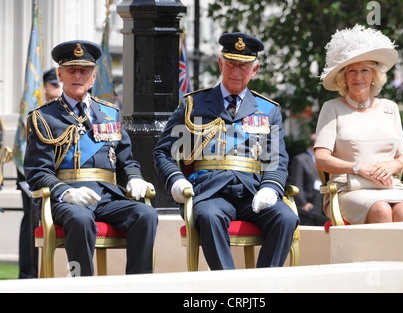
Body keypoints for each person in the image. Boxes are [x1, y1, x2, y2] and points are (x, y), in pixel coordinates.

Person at [154, 32, 299, 270]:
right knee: (210, 217)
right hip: (210, 192)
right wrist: (176, 181)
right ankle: (228, 287)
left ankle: (262, 287)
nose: (236, 71)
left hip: (252, 191)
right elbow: (164, 152)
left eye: (244, 66)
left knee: (286, 217)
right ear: (221, 64)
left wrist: (271, 188)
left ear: (255, 70)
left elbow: (276, 161)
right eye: (231, 64)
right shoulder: (193, 105)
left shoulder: (267, 110)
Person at [24, 40, 158, 276]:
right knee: (80, 218)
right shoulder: (44, 118)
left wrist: (135, 178)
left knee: (145, 214)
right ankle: (81, 284)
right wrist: (66, 192)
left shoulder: (110, 113)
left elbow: (126, 161)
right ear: (60, 74)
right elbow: (37, 172)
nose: (78, 76)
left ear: (93, 78)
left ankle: (139, 285)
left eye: (84, 71)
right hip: (67, 198)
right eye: (72, 70)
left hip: (107, 196)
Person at [315, 24, 403, 224]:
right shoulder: (331, 108)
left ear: (374, 76)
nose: (358, 77)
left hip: (389, 186)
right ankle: (377, 257)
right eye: (351, 71)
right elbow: (321, 160)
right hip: (348, 188)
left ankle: (402, 257)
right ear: (344, 77)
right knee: (380, 210)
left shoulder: (390, 108)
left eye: (364, 70)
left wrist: (393, 164)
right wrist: (359, 168)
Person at [18, 67, 62, 279]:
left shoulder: (64, 111)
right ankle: (28, 275)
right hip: (35, 171)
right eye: (54, 84)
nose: (58, 88)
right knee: (32, 220)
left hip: (57, 175)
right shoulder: (37, 112)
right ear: (43, 88)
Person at [289, 133, 327, 225]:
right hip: (309, 205)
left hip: (322, 204)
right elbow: (297, 183)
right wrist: (303, 203)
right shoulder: (300, 159)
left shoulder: (324, 160)